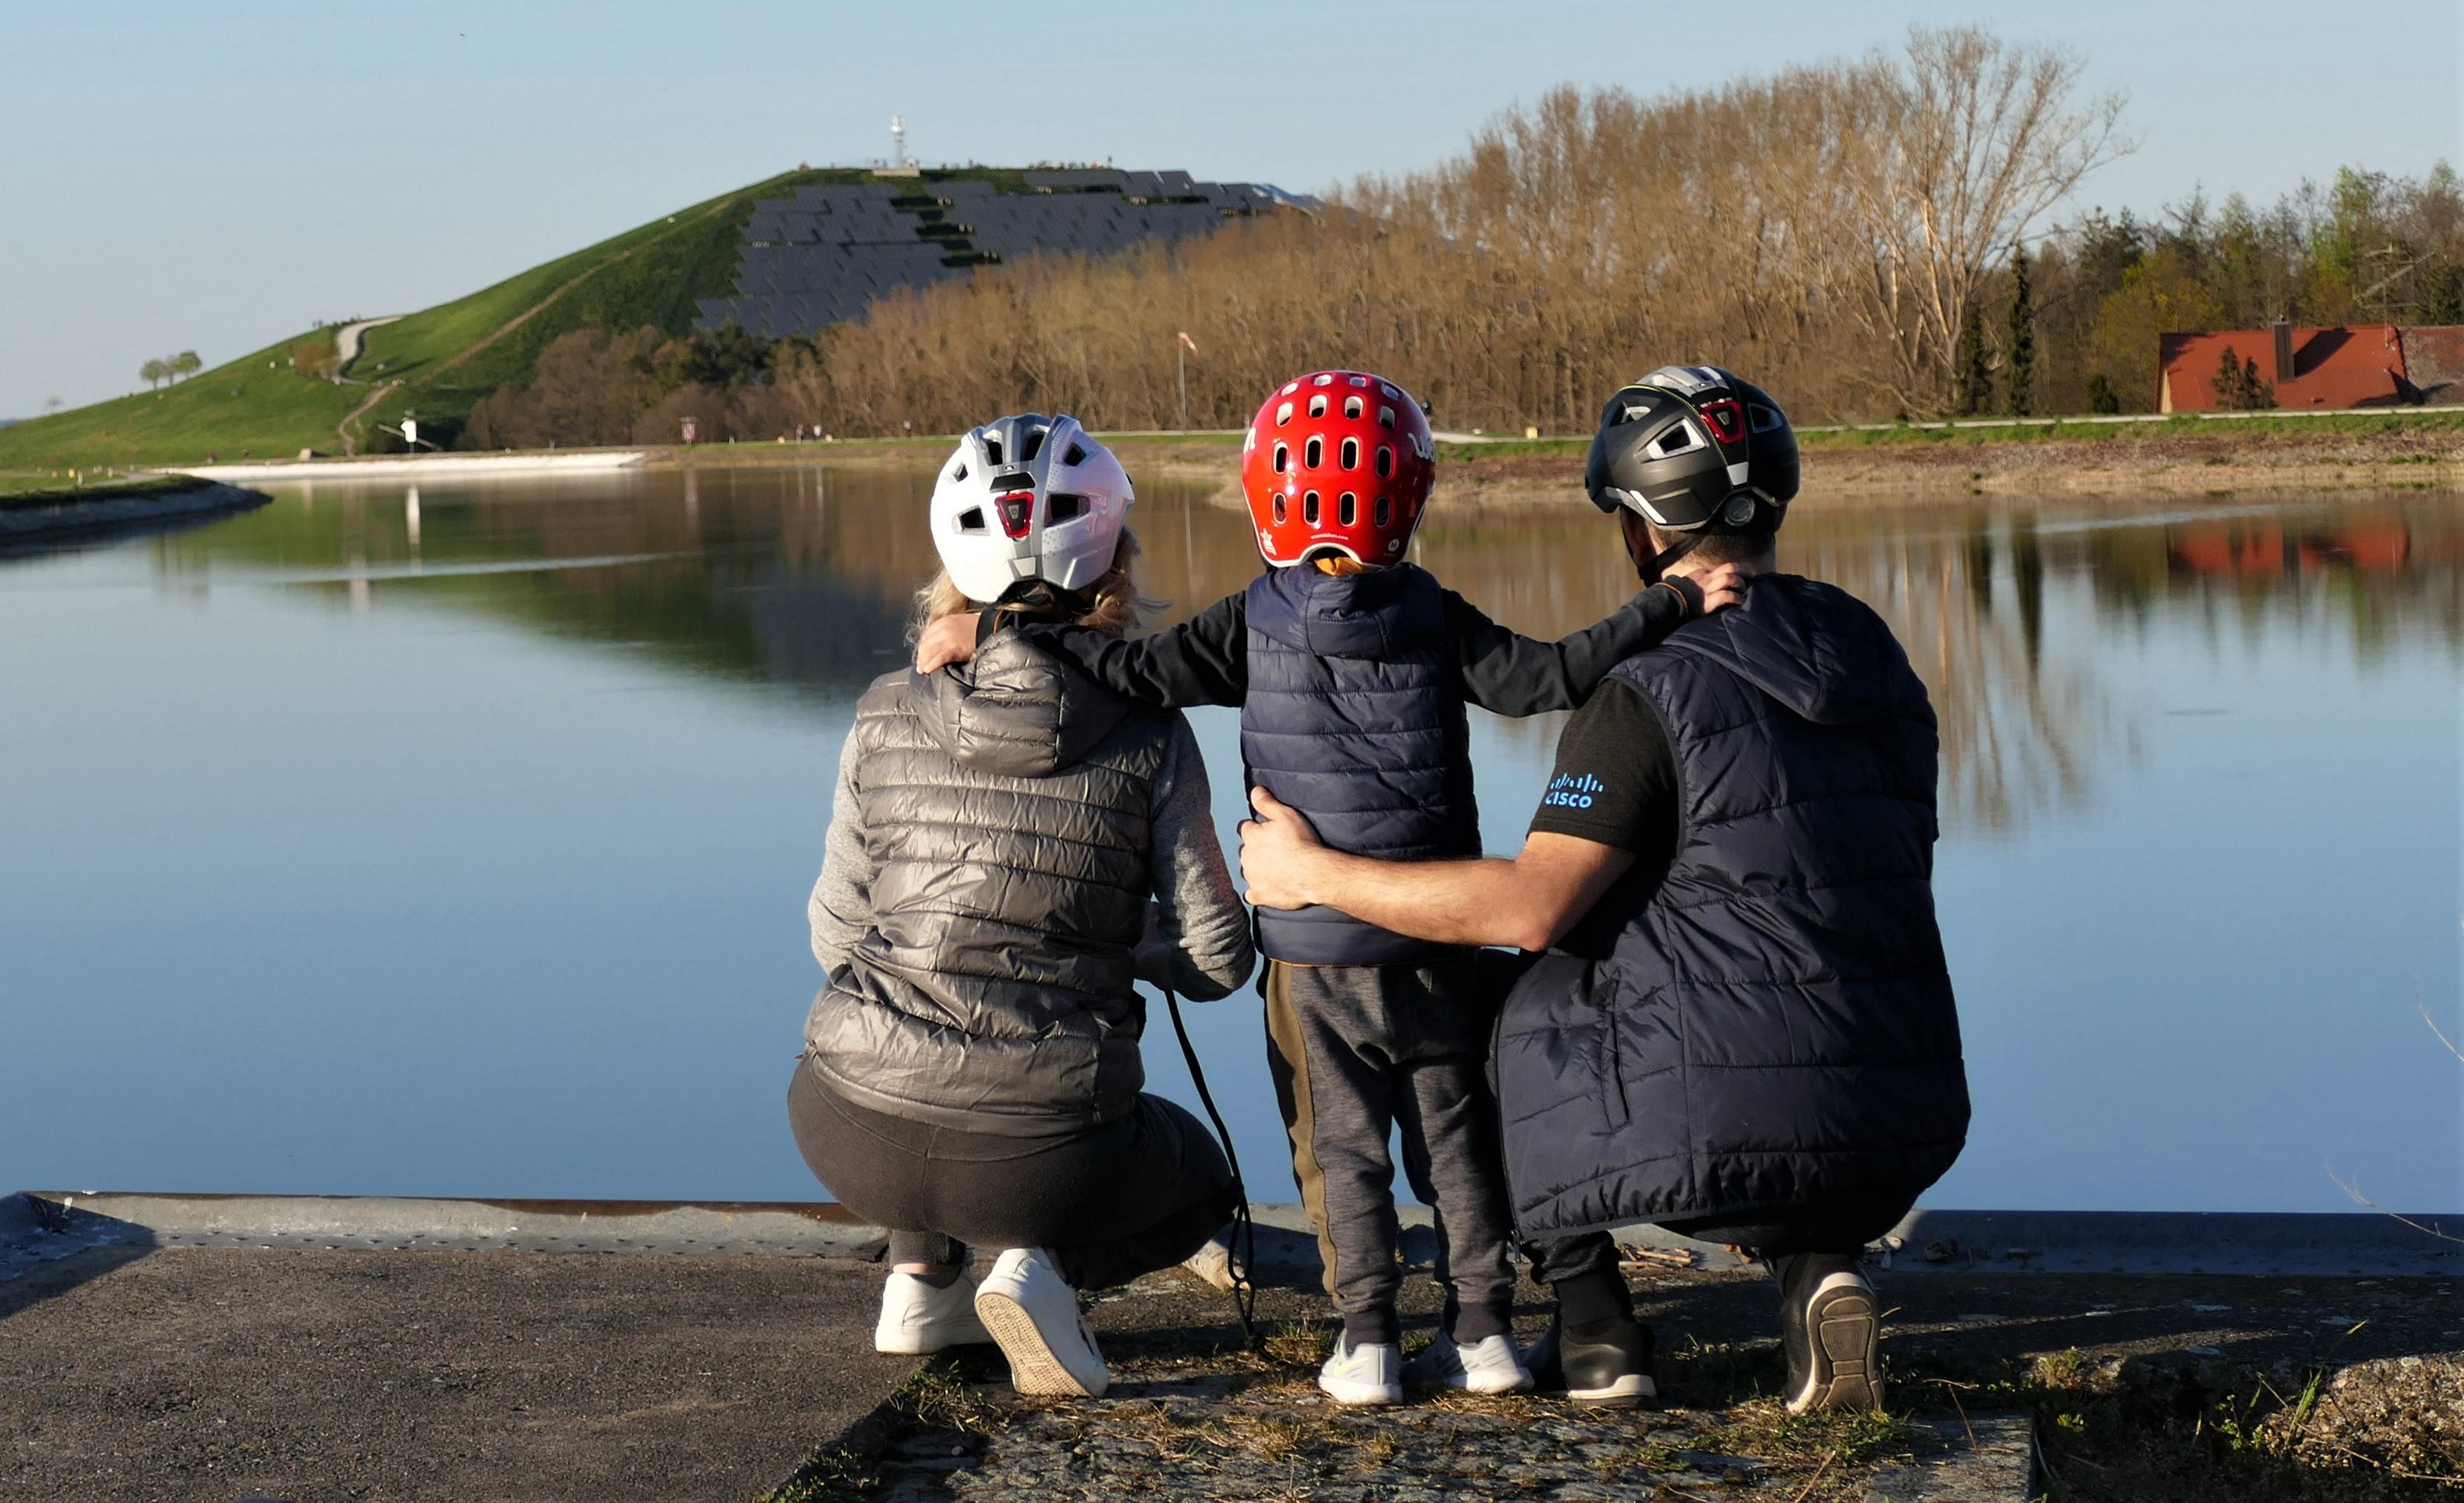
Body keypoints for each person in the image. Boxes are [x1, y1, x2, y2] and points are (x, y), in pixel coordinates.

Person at [922, 369, 1705, 1407]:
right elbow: (1550, 678)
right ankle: (1483, 1334)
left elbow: (1125, 673)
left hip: (1308, 952)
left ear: (1263, 499)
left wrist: (997, 630)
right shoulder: (1430, 610)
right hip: (1434, 942)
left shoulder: (1248, 620)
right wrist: (1670, 602)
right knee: (1458, 1144)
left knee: (1338, 1152)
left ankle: (1368, 1338)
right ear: (1409, 502)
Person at [1236, 365, 1968, 1416]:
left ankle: (1595, 1330)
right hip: (1898, 1113)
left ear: (1639, 529)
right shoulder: (1871, 650)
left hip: (1722, 1123)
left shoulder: (1646, 688)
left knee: (1495, 1001)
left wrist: (1310, 874)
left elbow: (1528, 906)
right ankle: (1818, 1269)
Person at [794, 412, 1257, 1399]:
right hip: (1042, 1155)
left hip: (842, 1124)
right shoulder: (1148, 731)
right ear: (1113, 562)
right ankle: (1042, 1272)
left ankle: (917, 1281)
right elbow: (1219, 960)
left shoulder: (882, 707)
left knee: (920, 1036)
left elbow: (834, 934)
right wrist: (1121, 938)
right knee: (1201, 1179)